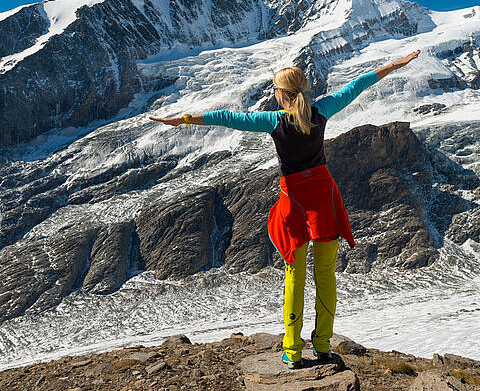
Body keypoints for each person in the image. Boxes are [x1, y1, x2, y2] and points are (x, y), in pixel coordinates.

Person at [149, 49, 421, 368]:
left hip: (295, 201)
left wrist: (180, 120)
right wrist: (394, 63)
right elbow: (357, 86)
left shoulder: (273, 121)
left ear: (280, 94)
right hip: (323, 198)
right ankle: (321, 345)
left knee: (294, 276)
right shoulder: (321, 111)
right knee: (326, 276)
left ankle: (292, 350)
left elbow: (226, 118)